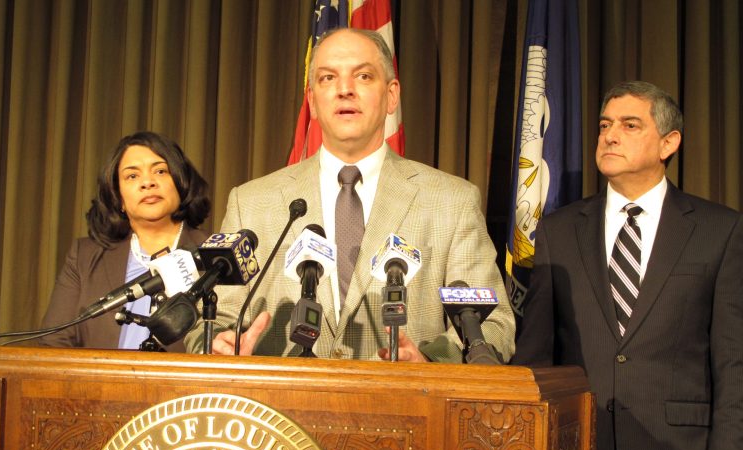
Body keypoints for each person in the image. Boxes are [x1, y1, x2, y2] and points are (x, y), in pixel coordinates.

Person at [185, 28, 514, 363]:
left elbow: (495, 324)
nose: (344, 90)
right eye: (328, 78)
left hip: (405, 407)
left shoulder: (452, 201)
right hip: (280, 408)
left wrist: (430, 363)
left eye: (363, 75)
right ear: (312, 101)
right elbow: (211, 320)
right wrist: (216, 344)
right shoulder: (252, 202)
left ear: (391, 95)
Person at [513, 81, 743, 450]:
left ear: (669, 142)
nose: (610, 136)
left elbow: (733, 364)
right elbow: (535, 358)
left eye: (629, 125)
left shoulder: (720, 230)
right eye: (604, 125)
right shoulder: (559, 230)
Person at [39, 131, 211, 351]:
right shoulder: (84, 256)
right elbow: (54, 342)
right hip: (96, 384)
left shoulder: (212, 253)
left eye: (160, 171)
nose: (148, 182)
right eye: (132, 176)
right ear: (118, 197)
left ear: (181, 183)